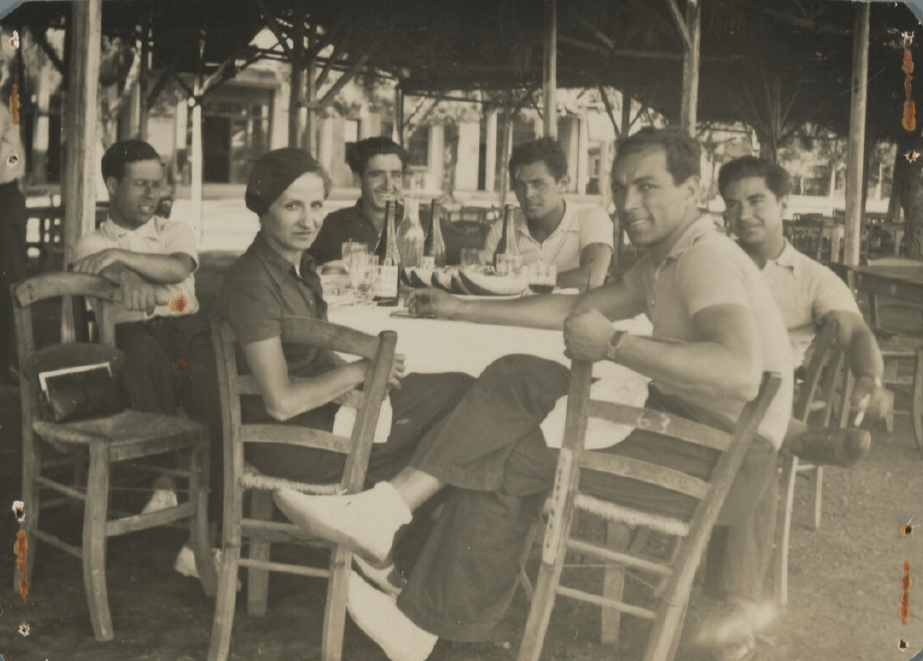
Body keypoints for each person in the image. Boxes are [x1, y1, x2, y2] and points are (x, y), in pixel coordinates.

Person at [273, 128, 794, 661]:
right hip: (689, 425)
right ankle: (389, 514)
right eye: (619, 188)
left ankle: (419, 615)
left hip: (728, 458)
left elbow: (739, 373)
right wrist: (461, 308)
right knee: (518, 373)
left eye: (646, 187)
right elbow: (573, 306)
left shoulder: (707, 257)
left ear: (691, 189)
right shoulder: (665, 258)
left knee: (510, 452)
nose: (628, 203)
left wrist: (614, 343)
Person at [218, 147, 473, 592]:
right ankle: (382, 538)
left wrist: (361, 389)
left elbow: (312, 362)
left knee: (462, 397)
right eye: (291, 205)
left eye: (316, 205)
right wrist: (359, 373)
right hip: (293, 443)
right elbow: (279, 402)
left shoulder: (300, 271)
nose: (308, 220)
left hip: (324, 421)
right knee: (461, 415)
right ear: (263, 208)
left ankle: (382, 532)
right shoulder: (252, 283)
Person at [73, 140, 221, 575]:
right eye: (140, 184)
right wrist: (126, 275)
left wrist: (122, 261)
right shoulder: (90, 241)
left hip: (186, 332)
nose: (151, 194)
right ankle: (162, 482)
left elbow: (178, 273)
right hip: (134, 342)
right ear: (113, 184)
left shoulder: (174, 231)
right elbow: (107, 274)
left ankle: (211, 520)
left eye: (156, 184)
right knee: (138, 351)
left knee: (218, 386)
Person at [718, 156, 884, 409]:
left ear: (782, 205)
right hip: (703, 383)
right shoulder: (712, 261)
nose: (743, 215)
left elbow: (856, 332)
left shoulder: (812, 277)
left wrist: (869, 377)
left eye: (755, 202)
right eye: (733, 205)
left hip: (765, 400)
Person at [480, 137, 614, 290]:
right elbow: (489, 285)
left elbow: (591, 278)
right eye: (520, 185)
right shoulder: (502, 230)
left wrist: (516, 281)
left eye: (538, 184)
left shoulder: (590, 218)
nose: (528, 194)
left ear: (563, 184)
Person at [307, 137, 413, 265]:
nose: (388, 185)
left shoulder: (419, 224)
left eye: (396, 175)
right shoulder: (333, 226)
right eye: (377, 175)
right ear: (359, 179)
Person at [0, 102, 27, 384]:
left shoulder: (3, 113)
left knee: (11, 282)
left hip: (4, 198)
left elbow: (11, 161)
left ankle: (11, 361)